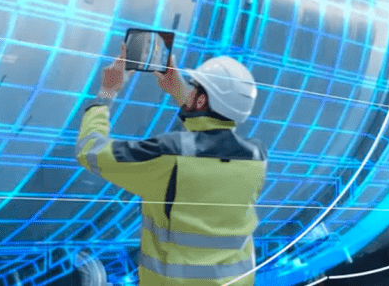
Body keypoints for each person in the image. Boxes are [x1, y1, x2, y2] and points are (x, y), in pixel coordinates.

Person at [76, 43, 268, 286]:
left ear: (200, 101)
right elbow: (207, 138)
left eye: (195, 88)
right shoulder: (256, 157)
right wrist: (181, 93)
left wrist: (107, 91)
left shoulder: (169, 157)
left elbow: (90, 151)